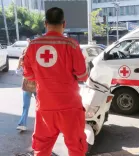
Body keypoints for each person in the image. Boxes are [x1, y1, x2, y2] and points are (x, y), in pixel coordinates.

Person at [23, 7, 88, 156]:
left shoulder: (32, 45)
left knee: (41, 148)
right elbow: (83, 76)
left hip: (45, 106)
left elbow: (29, 75)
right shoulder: (71, 45)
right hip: (70, 106)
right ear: (64, 24)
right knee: (76, 147)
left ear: (45, 23)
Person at [16, 38, 36, 131]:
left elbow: (18, 72)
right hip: (36, 84)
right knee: (40, 105)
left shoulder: (23, 58)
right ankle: (43, 125)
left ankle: (22, 124)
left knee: (25, 106)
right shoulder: (37, 58)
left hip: (27, 84)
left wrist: (20, 63)